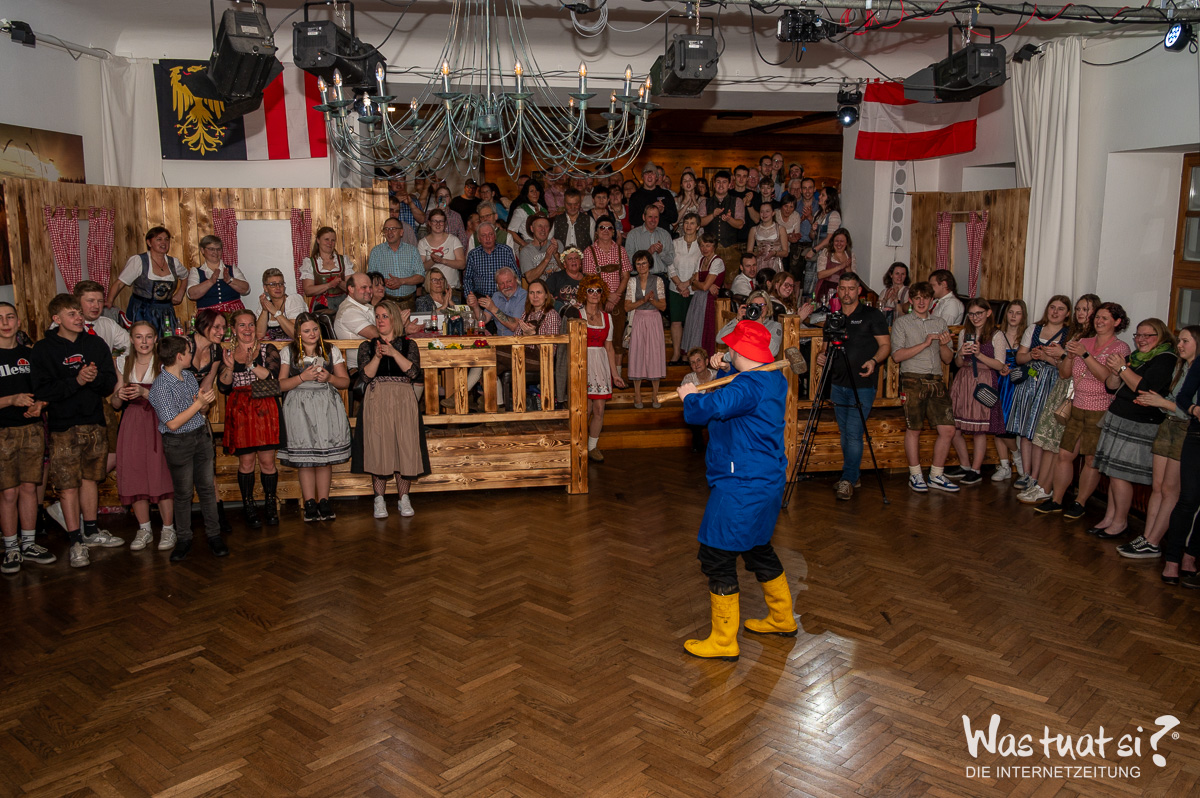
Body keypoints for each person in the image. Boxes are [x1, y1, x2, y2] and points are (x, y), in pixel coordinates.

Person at [677, 321, 795, 661]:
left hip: (742, 482)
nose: (725, 351)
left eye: (730, 347)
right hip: (766, 479)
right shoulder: (772, 376)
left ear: (741, 351)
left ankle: (723, 640)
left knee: (716, 555)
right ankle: (782, 618)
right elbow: (739, 394)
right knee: (757, 548)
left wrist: (690, 396)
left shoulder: (747, 385)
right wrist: (727, 368)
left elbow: (707, 410)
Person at [33, 294, 121, 568]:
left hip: (95, 421)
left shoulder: (95, 343)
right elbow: (43, 390)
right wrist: (77, 381)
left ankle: (91, 532)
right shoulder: (43, 349)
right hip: (63, 426)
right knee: (68, 485)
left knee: (90, 480)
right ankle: (76, 541)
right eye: (72, 314)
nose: (79, 317)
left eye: (79, 313)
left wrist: (92, 379)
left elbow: (108, 383)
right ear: (56, 318)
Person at [1082, 318, 1176, 540]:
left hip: (1139, 424)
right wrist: (1116, 372)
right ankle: (1110, 517)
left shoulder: (1165, 358)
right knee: (1111, 472)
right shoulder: (1136, 356)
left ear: (1161, 335)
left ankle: (1120, 522)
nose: (1141, 340)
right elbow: (1111, 386)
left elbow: (1142, 388)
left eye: (1147, 336)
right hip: (1118, 418)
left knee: (1120, 475)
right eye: (1138, 335)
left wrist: (1122, 368)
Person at [1037, 302, 1131, 518]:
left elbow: (1107, 379)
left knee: (1090, 460)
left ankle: (1080, 503)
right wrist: (1068, 357)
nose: (1099, 321)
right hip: (1076, 406)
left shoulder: (1120, 348)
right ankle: (1056, 500)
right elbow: (1064, 374)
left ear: (1117, 322)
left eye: (1104, 318)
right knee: (1064, 455)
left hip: (1101, 410)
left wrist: (1085, 355)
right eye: (1097, 317)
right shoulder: (1083, 341)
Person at [147, 335, 227, 563]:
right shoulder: (160, 387)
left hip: (200, 436)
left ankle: (214, 535)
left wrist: (203, 404)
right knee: (183, 494)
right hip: (178, 442)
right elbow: (172, 423)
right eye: (189, 351)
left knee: (207, 489)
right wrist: (199, 404)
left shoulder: (189, 377)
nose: (192, 355)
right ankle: (184, 539)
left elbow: (199, 411)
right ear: (179, 356)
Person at [1122, 325, 1199, 560]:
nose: (1180, 345)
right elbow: (1173, 399)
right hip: (1168, 425)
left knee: (1170, 489)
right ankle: (1147, 537)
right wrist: (1154, 400)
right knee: (1158, 487)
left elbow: (1191, 411)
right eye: (1179, 340)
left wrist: (1162, 403)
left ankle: (1154, 541)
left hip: (1185, 431)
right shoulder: (1181, 367)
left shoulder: (1197, 370)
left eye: (1185, 341)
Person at [816, 273, 889, 501]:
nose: (846, 292)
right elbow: (826, 348)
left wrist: (874, 361)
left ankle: (847, 479)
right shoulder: (833, 318)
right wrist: (821, 356)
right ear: (838, 290)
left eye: (851, 288)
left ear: (859, 291)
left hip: (863, 383)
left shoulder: (872, 315)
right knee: (845, 433)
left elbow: (886, 346)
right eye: (843, 288)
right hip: (838, 383)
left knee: (854, 434)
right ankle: (852, 476)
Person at [355, 300, 428, 519]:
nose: (380, 320)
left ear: (394, 319)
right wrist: (378, 356)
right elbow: (365, 376)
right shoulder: (367, 346)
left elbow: (414, 373)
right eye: (377, 316)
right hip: (377, 398)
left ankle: (404, 498)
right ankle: (379, 499)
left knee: (404, 446)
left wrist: (394, 353)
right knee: (379, 447)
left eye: (385, 316)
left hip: (403, 399)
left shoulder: (408, 345)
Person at [278, 313, 352, 522]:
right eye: (307, 331)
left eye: (315, 329)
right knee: (306, 458)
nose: (312, 334)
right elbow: (281, 384)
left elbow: (345, 382)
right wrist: (301, 377)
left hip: (325, 404)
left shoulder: (330, 350)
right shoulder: (289, 351)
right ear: (298, 333)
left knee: (323, 456)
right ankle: (309, 502)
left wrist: (329, 377)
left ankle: (324, 501)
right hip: (299, 405)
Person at [112, 321, 176, 552]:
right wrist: (119, 394)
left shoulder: (164, 363)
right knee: (135, 472)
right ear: (131, 339)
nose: (144, 341)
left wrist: (145, 392)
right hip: (133, 421)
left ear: (156, 338)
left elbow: (172, 399)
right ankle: (144, 528)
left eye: (149, 336)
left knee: (161, 473)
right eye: (139, 337)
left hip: (159, 420)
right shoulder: (123, 362)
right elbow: (115, 403)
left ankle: (168, 528)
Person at [217, 308, 284, 529]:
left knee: (267, 462)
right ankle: (248, 505)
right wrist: (229, 368)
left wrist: (251, 365)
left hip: (265, 408)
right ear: (233, 329)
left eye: (251, 324)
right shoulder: (227, 352)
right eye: (242, 325)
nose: (247, 329)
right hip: (240, 410)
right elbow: (223, 386)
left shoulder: (267, 349)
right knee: (246, 463)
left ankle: (270, 504)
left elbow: (273, 379)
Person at [890, 282, 959, 494]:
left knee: (948, 429)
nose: (921, 302)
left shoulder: (940, 322)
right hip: (912, 379)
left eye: (925, 298)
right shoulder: (902, 323)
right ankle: (915, 474)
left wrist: (944, 344)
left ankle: (936, 474)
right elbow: (897, 356)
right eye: (917, 298)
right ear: (911, 300)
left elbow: (948, 359)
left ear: (931, 300)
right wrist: (925, 343)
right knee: (915, 428)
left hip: (936, 380)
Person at [0, 302, 52, 574]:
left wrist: (40, 405)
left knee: (29, 488)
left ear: (18, 322)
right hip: (3, 432)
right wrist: (11, 400)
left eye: (10, 317)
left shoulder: (31, 355)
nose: (5, 323)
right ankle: (11, 547)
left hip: (31, 429)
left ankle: (29, 544)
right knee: (8, 491)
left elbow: (46, 390)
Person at [1007, 295, 1075, 499]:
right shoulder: (1034, 329)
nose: (1055, 312)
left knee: (1038, 430)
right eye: (1052, 307)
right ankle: (1027, 473)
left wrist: (1048, 357)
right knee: (1025, 428)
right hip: (1031, 380)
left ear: (1067, 313)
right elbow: (1020, 358)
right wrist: (1032, 355)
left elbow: (1067, 368)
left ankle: (1037, 476)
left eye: (1060, 309)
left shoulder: (1069, 334)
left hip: (1052, 383)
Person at [1154, 333, 1200, 586]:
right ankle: (1172, 559)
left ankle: (1190, 557)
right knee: (1188, 499)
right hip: (1196, 436)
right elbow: (1183, 397)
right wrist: (1194, 409)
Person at [948, 300, 1009, 485]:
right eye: (972, 314)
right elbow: (958, 363)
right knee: (954, 426)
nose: (975, 317)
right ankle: (965, 465)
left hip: (984, 379)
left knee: (979, 429)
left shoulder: (997, 335)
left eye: (979, 313)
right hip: (963, 378)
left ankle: (976, 469)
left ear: (988, 313)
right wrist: (960, 354)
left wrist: (979, 354)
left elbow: (999, 364)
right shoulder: (965, 333)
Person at [106, 226, 188, 335]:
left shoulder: (174, 262)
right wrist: (109, 302)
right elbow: (120, 283)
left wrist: (180, 292)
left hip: (166, 311)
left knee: (168, 341)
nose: (163, 242)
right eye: (159, 239)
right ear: (149, 243)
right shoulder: (139, 261)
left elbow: (185, 276)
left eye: (166, 239)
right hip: (142, 311)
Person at [579, 275, 626, 463]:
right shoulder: (577, 315)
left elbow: (609, 347)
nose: (594, 294)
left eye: (598, 290)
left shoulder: (607, 317)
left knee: (599, 409)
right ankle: (579, 445)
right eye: (590, 290)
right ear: (584, 293)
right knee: (585, 409)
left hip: (601, 364)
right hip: (582, 363)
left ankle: (592, 446)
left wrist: (615, 375)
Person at [582, 216, 632, 375]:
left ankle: (617, 375)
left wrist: (616, 295)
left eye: (609, 228)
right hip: (596, 300)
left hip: (618, 299)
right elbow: (590, 278)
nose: (605, 231)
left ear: (614, 232)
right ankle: (601, 373)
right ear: (596, 232)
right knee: (599, 338)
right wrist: (607, 296)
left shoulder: (621, 250)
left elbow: (626, 276)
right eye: (602, 227)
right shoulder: (589, 251)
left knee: (617, 337)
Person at [624, 251, 667, 409]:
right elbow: (627, 307)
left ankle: (655, 394)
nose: (641, 266)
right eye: (638, 263)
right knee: (637, 354)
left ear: (649, 264)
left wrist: (652, 300)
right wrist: (643, 300)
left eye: (644, 263)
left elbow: (663, 306)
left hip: (654, 319)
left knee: (655, 354)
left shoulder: (658, 280)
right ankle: (637, 394)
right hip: (638, 318)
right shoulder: (632, 281)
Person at [991, 299, 1028, 482]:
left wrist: (1023, 372)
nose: (1013, 316)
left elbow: (1034, 367)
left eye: (1018, 313)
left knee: (1013, 425)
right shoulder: (998, 334)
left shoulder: (1027, 336)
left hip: (1019, 384)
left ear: (1023, 316)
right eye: (1011, 312)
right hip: (1000, 381)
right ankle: (1005, 464)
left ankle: (1018, 457)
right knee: (999, 423)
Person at [679, 234, 724, 359]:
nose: (704, 249)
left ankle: (708, 360)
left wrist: (697, 282)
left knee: (706, 331)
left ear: (714, 246)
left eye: (707, 246)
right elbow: (695, 287)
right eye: (702, 246)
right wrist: (702, 284)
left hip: (710, 301)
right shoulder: (701, 260)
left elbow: (702, 286)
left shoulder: (717, 262)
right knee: (695, 330)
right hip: (698, 300)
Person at [668, 213, 703, 364]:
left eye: (692, 223)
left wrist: (687, 284)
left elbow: (700, 268)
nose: (688, 226)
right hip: (675, 288)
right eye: (686, 222)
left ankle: (687, 354)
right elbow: (669, 265)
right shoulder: (675, 243)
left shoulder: (701, 245)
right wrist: (679, 285)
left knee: (691, 323)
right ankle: (676, 353)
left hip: (694, 289)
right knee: (676, 321)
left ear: (698, 226)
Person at [699, 171, 744, 287]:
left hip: (731, 250)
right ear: (714, 184)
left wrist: (729, 219)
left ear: (729, 185)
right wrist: (713, 215)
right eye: (718, 182)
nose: (721, 185)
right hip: (710, 251)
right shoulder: (705, 202)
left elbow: (740, 224)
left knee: (730, 285)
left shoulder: (737, 201)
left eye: (724, 182)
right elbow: (700, 222)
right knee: (710, 285)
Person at [368, 217, 425, 307]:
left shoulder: (412, 250)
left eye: (393, 229)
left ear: (401, 232)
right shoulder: (376, 251)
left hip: (409, 301)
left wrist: (401, 281)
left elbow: (421, 277)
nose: (389, 232)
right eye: (386, 229)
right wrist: (384, 282)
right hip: (385, 302)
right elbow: (370, 279)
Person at [186, 235, 250, 313]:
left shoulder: (232, 269)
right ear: (202, 250)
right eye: (211, 249)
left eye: (218, 249)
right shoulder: (196, 271)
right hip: (208, 316)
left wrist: (230, 280)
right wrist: (210, 282)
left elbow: (246, 289)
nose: (215, 252)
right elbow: (192, 294)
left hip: (233, 313)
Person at [300, 227, 353, 313]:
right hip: (322, 305)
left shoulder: (343, 260)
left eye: (333, 240)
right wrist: (329, 285)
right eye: (326, 239)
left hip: (343, 303)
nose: (330, 243)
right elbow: (308, 290)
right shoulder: (310, 263)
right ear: (318, 240)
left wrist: (339, 283)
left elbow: (351, 287)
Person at [716, 290, 782, 360]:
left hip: (759, 364)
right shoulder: (743, 324)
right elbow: (719, 339)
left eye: (761, 305)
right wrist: (737, 320)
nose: (758, 308)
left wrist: (759, 326)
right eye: (754, 305)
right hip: (737, 362)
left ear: (768, 307)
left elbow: (772, 351)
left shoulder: (774, 326)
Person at [334, 273, 381, 370]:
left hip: (374, 362)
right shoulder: (348, 311)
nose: (369, 291)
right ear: (351, 289)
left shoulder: (366, 306)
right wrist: (400, 326)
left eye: (370, 287)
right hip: (358, 368)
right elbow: (376, 334)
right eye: (364, 287)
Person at [463, 222, 519, 302]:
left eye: (490, 234)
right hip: (480, 299)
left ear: (495, 236)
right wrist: (469, 296)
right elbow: (467, 279)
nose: (488, 238)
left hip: (504, 298)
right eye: (483, 235)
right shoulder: (473, 254)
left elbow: (516, 275)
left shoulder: (506, 251)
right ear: (479, 239)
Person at [417, 208, 466, 294]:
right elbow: (420, 267)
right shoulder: (422, 243)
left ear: (445, 223)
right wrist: (433, 261)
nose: (438, 224)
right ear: (429, 223)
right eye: (434, 221)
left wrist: (443, 261)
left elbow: (462, 264)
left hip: (451, 289)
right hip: (430, 291)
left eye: (441, 221)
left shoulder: (454, 240)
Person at [681, 346, 717, 454]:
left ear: (706, 361)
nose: (696, 364)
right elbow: (689, 401)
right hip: (699, 411)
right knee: (692, 413)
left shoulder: (717, 375)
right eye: (692, 362)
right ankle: (698, 444)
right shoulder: (688, 379)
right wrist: (707, 394)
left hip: (714, 409)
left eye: (698, 360)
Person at [255, 268, 306, 341]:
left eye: (281, 284)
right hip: (270, 347)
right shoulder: (265, 303)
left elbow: (296, 335)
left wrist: (276, 313)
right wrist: (265, 310)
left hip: (292, 346)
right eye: (273, 284)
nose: (278, 287)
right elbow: (259, 336)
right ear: (265, 288)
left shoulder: (293, 301)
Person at [624, 205, 674, 278]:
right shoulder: (633, 234)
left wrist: (661, 253)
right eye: (650, 217)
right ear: (644, 217)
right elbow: (628, 261)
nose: (653, 220)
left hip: (661, 277)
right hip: (639, 277)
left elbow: (670, 261)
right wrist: (648, 252)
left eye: (656, 217)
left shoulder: (665, 234)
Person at [628, 161, 679, 229]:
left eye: (652, 173)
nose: (649, 176)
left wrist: (663, 211)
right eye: (646, 173)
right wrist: (650, 209)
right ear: (642, 177)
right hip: (642, 234)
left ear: (656, 177)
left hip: (662, 233)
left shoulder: (666, 194)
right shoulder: (635, 196)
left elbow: (674, 218)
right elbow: (632, 220)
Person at [814, 229, 857, 306]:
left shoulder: (850, 255)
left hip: (843, 290)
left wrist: (847, 268)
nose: (839, 244)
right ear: (833, 242)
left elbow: (853, 279)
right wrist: (840, 267)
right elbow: (820, 275)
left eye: (842, 241)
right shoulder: (826, 253)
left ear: (847, 243)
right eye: (836, 241)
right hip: (826, 288)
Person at [747, 200, 788, 275]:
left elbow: (785, 253)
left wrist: (775, 253)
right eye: (762, 212)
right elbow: (749, 252)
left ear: (773, 213)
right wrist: (757, 253)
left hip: (775, 264)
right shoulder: (754, 230)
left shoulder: (780, 229)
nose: (764, 214)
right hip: (759, 264)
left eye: (767, 211)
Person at [806, 186, 842, 266]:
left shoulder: (834, 215)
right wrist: (812, 230)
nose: (819, 197)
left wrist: (814, 250)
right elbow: (812, 237)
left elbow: (830, 238)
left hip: (826, 254)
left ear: (829, 198)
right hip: (816, 253)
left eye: (822, 195)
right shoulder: (818, 214)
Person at [519, 214, 560, 284]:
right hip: (541, 288)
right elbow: (530, 278)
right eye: (539, 226)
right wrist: (546, 259)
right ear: (532, 229)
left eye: (546, 226)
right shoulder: (525, 252)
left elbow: (568, 271)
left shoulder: (557, 244)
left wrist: (556, 255)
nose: (543, 229)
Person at [507, 179, 546, 250]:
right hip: (530, 243)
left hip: (543, 243)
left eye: (537, 190)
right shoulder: (521, 210)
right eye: (531, 191)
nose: (535, 193)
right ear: (526, 193)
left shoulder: (543, 209)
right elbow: (510, 231)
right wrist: (524, 244)